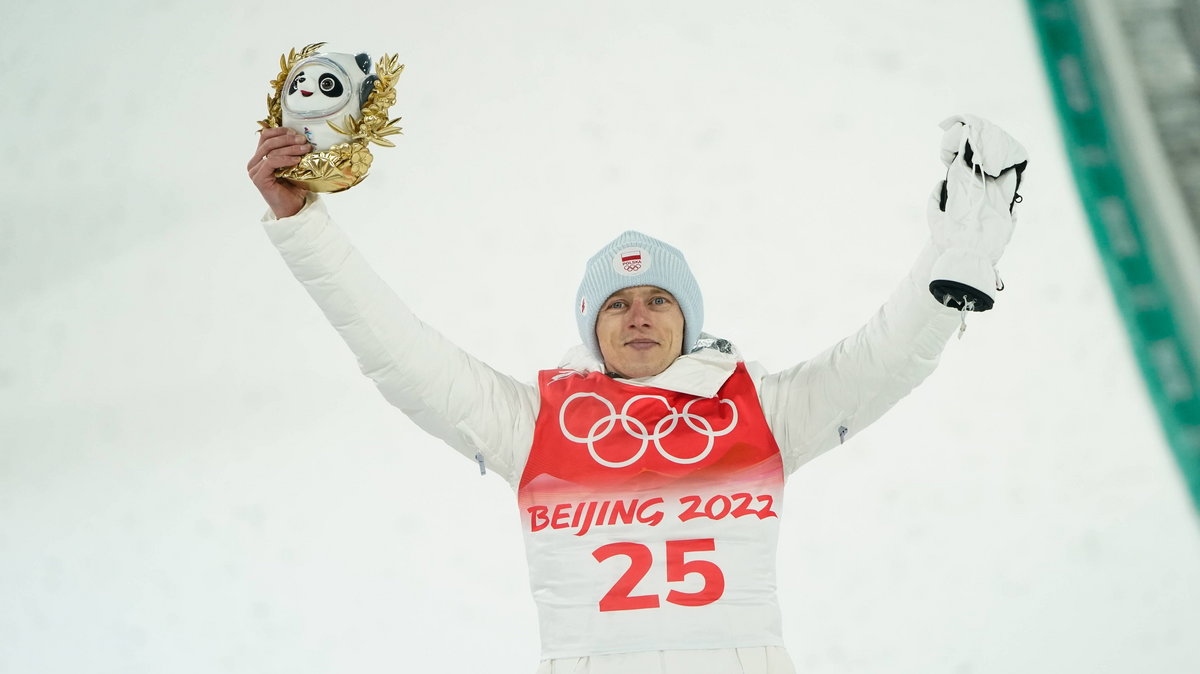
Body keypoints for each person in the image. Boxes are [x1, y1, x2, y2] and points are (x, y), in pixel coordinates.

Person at [247, 114, 1027, 674]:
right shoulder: (536, 427)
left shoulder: (759, 413)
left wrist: (947, 270)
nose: (640, 315)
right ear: (593, 330)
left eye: (659, 300)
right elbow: (398, 353)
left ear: (688, 321)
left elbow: (880, 362)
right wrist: (303, 224)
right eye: (617, 305)